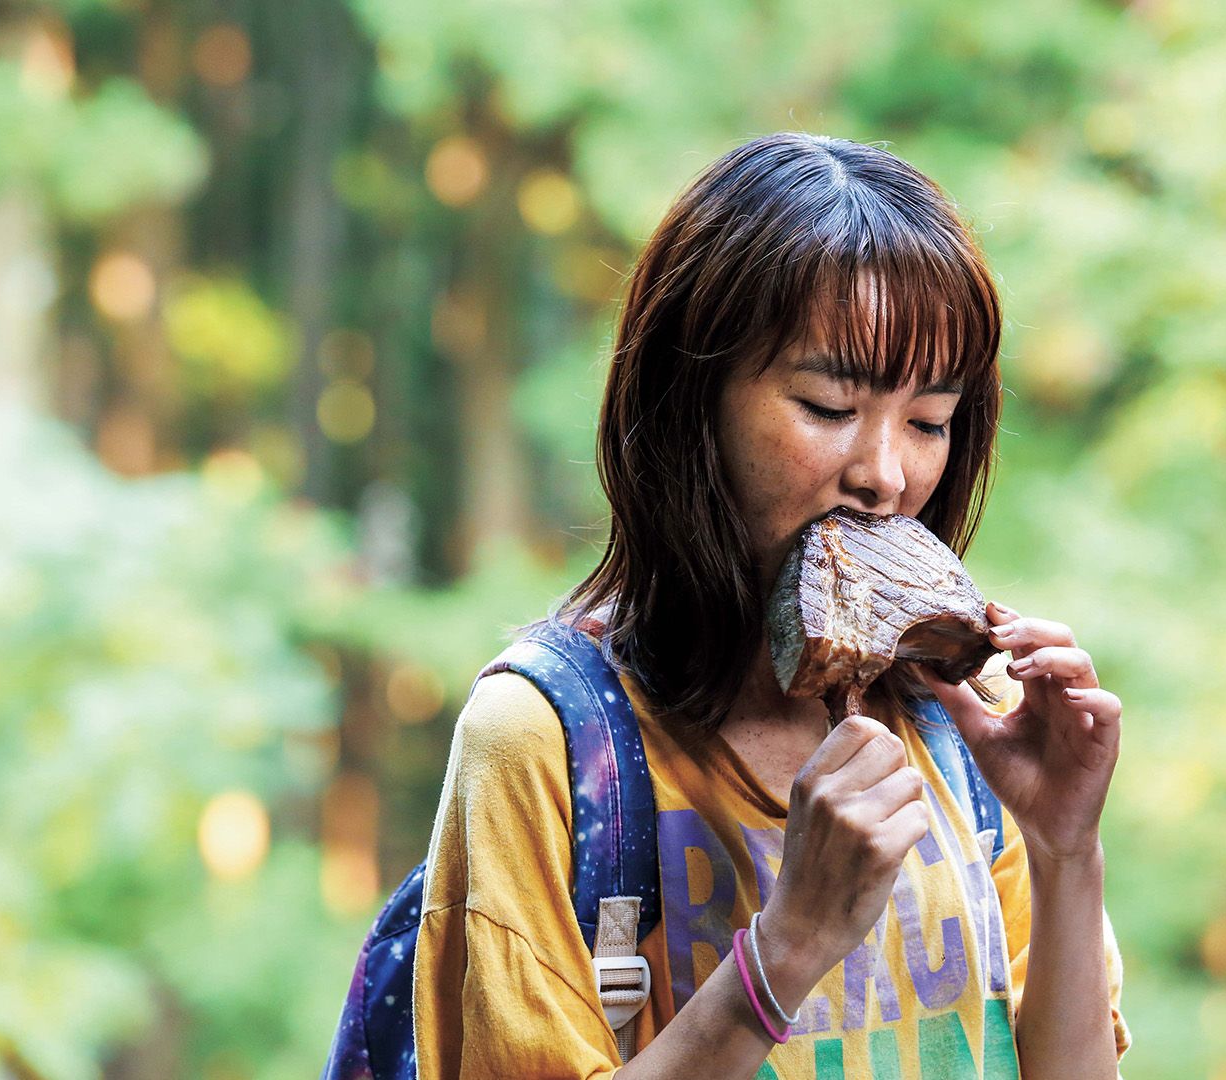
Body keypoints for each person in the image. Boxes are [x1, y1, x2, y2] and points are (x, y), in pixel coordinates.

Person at [412, 132, 1131, 1079]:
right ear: (689, 401)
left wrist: (1064, 846)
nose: (884, 474)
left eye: (929, 423)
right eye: (831, 407)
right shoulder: (548, 743)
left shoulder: (960, 739)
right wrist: (788, 946)